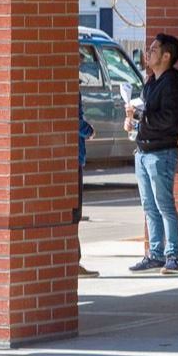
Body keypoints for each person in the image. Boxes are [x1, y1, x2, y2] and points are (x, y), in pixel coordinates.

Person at [125, 33, 178, 275]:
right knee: (148, 206)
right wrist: (134, 123)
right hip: (143, 150)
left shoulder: (173, 83)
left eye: (153, 49)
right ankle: (155, 254)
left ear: (166, 55)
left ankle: (174, 256)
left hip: (161, 153)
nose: (148, 52)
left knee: (164, 205)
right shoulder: (151, 82)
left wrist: (141, 117)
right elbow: (148, 115)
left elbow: (169, 120)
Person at [77, 103, 98, 277]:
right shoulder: (70, 89)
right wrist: (89, 130)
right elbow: (74, 119)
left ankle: (73, 262)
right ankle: (73, 262)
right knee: (74, 214)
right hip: (74, 157)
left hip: (71, 157)